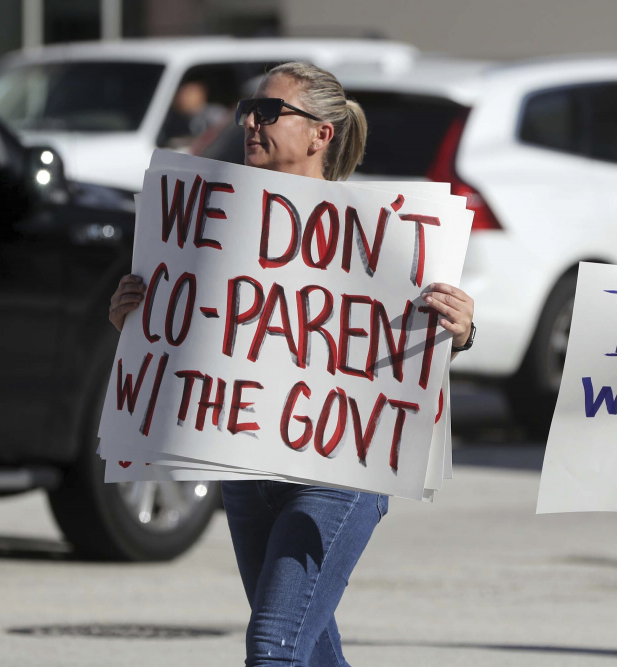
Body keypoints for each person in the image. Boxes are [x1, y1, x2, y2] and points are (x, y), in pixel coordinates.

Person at [107, 61, 476, 666]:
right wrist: (138, 321)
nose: (253, 122)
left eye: (271, 112)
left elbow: (410, 338)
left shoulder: (385, 231)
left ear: (319, 134)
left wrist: (460, 329)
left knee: (272, 648)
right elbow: (190, 332)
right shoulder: (213, 220)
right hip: (246, 460)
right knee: (309, 645)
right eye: (249, 110)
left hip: (343, 466)